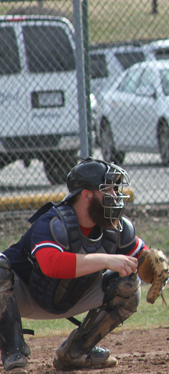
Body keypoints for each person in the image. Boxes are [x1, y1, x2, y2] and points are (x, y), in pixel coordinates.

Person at [0, 159, 151, 373]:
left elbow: (143, 259)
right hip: (25, 295)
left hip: (75, 293)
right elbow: (51, 265)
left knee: (128, 284)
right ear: (86, 194)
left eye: (116, 189)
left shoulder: (116, 228)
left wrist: (155, 266)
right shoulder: (53, 223)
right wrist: (107, 260)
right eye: (108, 190)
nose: (116, 196)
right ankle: (13, 354)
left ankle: (76, 353)